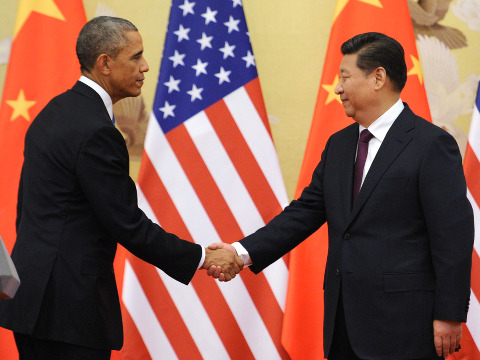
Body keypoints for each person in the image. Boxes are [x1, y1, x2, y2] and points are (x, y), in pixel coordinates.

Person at [208, 32, 474, 360]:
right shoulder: (339, 144)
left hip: (405, 324)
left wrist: (449, 314)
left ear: (378, 77)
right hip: (343, 320)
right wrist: (240, 251)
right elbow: (304, 212)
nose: (337, 88)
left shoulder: (430, 144)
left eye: (345, 77)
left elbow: (453, 236)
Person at [0, 16, 242, 360]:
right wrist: (203, 257)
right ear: (105, 64)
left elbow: (29, 212)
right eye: (136, 57)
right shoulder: (98, 132)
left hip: (30, 299)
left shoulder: (53, 112)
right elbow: (128, 225)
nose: (145, 67)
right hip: (70, 310)